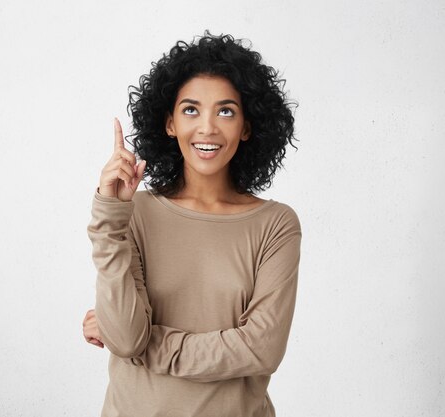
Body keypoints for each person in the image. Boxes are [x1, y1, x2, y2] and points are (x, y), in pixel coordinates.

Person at [82, 31, 302, 417]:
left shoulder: (275, 225)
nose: (207, 128)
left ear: (247, 128)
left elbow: (261, 349)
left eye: (226, 111)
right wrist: (109, 216)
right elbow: (126, 337)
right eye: (190, 110)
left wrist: (146, 342)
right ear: (169, 124)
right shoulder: (134, 213)